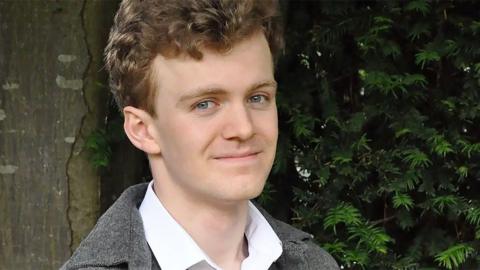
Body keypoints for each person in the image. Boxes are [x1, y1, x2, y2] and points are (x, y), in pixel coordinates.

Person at [61, 0, 339, 269]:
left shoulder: (315, 263)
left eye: (257, 97)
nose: (243, 129)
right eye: (205, 104)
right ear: (142, 130)